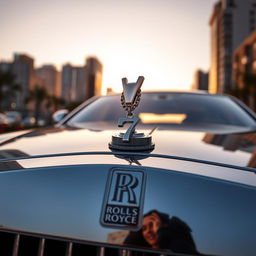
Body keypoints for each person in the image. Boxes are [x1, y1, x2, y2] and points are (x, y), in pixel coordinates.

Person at [124, 210, 201, 255]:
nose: (148, 231)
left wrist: (161, 233)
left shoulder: (178, 245)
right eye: (144, 228)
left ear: (164, 226)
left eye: (152, 225)